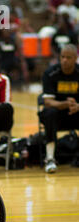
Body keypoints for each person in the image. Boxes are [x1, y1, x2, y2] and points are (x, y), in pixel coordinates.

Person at [38, 44, 79, 173]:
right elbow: (48, 102)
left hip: (75, 113)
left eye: (68, 57)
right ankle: (50, 158)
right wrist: (65, 104)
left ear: (75, 58)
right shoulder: (50, 73)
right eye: (62, 57)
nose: (64, 60)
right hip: (57, 115)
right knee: (49, 113)